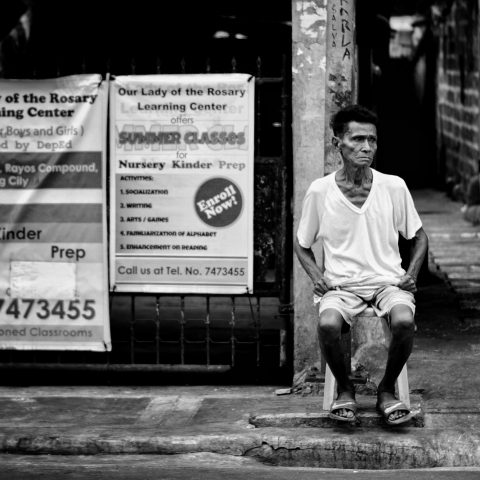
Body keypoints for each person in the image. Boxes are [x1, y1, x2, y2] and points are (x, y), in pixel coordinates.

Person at [294, 104, 429, 425]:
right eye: (356, 139)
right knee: (327, 325)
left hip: (387, 284)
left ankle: (386, 391)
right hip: (341, 286)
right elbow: (302, 245)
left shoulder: (393, 186)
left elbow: (419, 237)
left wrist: (410, 275)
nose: (366, 147)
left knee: (403, 322)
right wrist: (317, 277)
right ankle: (344, 390)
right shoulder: (320, 191)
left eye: (372, 140)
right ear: (336, 143)